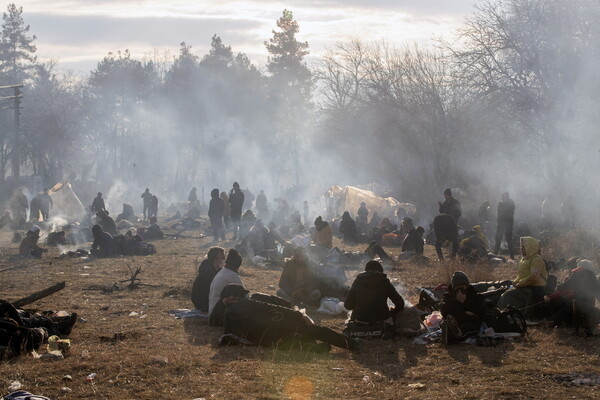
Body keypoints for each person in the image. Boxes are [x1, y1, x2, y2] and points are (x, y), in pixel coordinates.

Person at [220, 284, 358, 352]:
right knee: (312, 330)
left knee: (293, 341)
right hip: (271, 331)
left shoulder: (228, 313)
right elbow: (271, 308)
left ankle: (315, 348)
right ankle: (350, 344)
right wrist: (300, 315)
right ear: (234, 297)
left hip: (266, 341)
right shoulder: (242, 304)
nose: (246, 296)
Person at [541, 259, 599, 330]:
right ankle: (585, 330)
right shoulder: (593, 276)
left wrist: (559, 287)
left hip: (577, 300)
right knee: (581, 315)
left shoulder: (577, 274)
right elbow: (597, 290)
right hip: (589, 302)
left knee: (576, 313)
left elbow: (569, 284)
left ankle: (576, 329)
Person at [344, 260, 405, 325]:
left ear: (366, 271)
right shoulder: (384, 281)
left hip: (361, 320)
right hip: (383, 320)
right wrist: (393, 312)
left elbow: (347, 305)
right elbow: (400, 303)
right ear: (380, 271)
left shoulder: (357, 282)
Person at [497, 236, 548, 311]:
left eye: (523, 248)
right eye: (521, 247)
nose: (521, 249)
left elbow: (534, 277)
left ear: (530, 248)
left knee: (507, 295)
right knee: (503, 293)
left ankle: (503, 314)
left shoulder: (536, 260)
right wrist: (515, 281)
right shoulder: (524, 260)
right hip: (525, 286)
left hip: (535, 289)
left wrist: (520, 283)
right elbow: (521, 275)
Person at [440, 271, 486, 345]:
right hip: (456, 319)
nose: (460, 289)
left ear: (467, 285)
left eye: (462, 286)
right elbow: (444, 310)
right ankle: (451, 332)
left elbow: (480, 311)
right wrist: (463, 311)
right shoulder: (448, 296)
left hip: (470, 321)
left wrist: (465, 302)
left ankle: (456, 335)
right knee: (446, 321)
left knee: (468, 326)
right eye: (457, 287)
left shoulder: (476, 296)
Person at [208, 249, 244, 314]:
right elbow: (245, 297)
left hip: (213, 311)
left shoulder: (223, 271)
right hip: (219, 315)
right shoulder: (232, 275)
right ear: (237, 267)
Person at [191, 247, 226, 312]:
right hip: (203, 303)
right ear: (216, 259)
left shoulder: (217, 270)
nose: (224, 260)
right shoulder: (206, 271)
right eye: (222, 258)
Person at [494, 192, 515, 259]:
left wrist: (501, 205)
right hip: (502, 224)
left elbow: (505, 214)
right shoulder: (503, 203)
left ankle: (511, 256)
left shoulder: (510, 203)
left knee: (508, 240)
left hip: (506, 224)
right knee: (498, 240)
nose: (502, 199)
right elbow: (499, 214)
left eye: (503, 197)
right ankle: (495, 254)